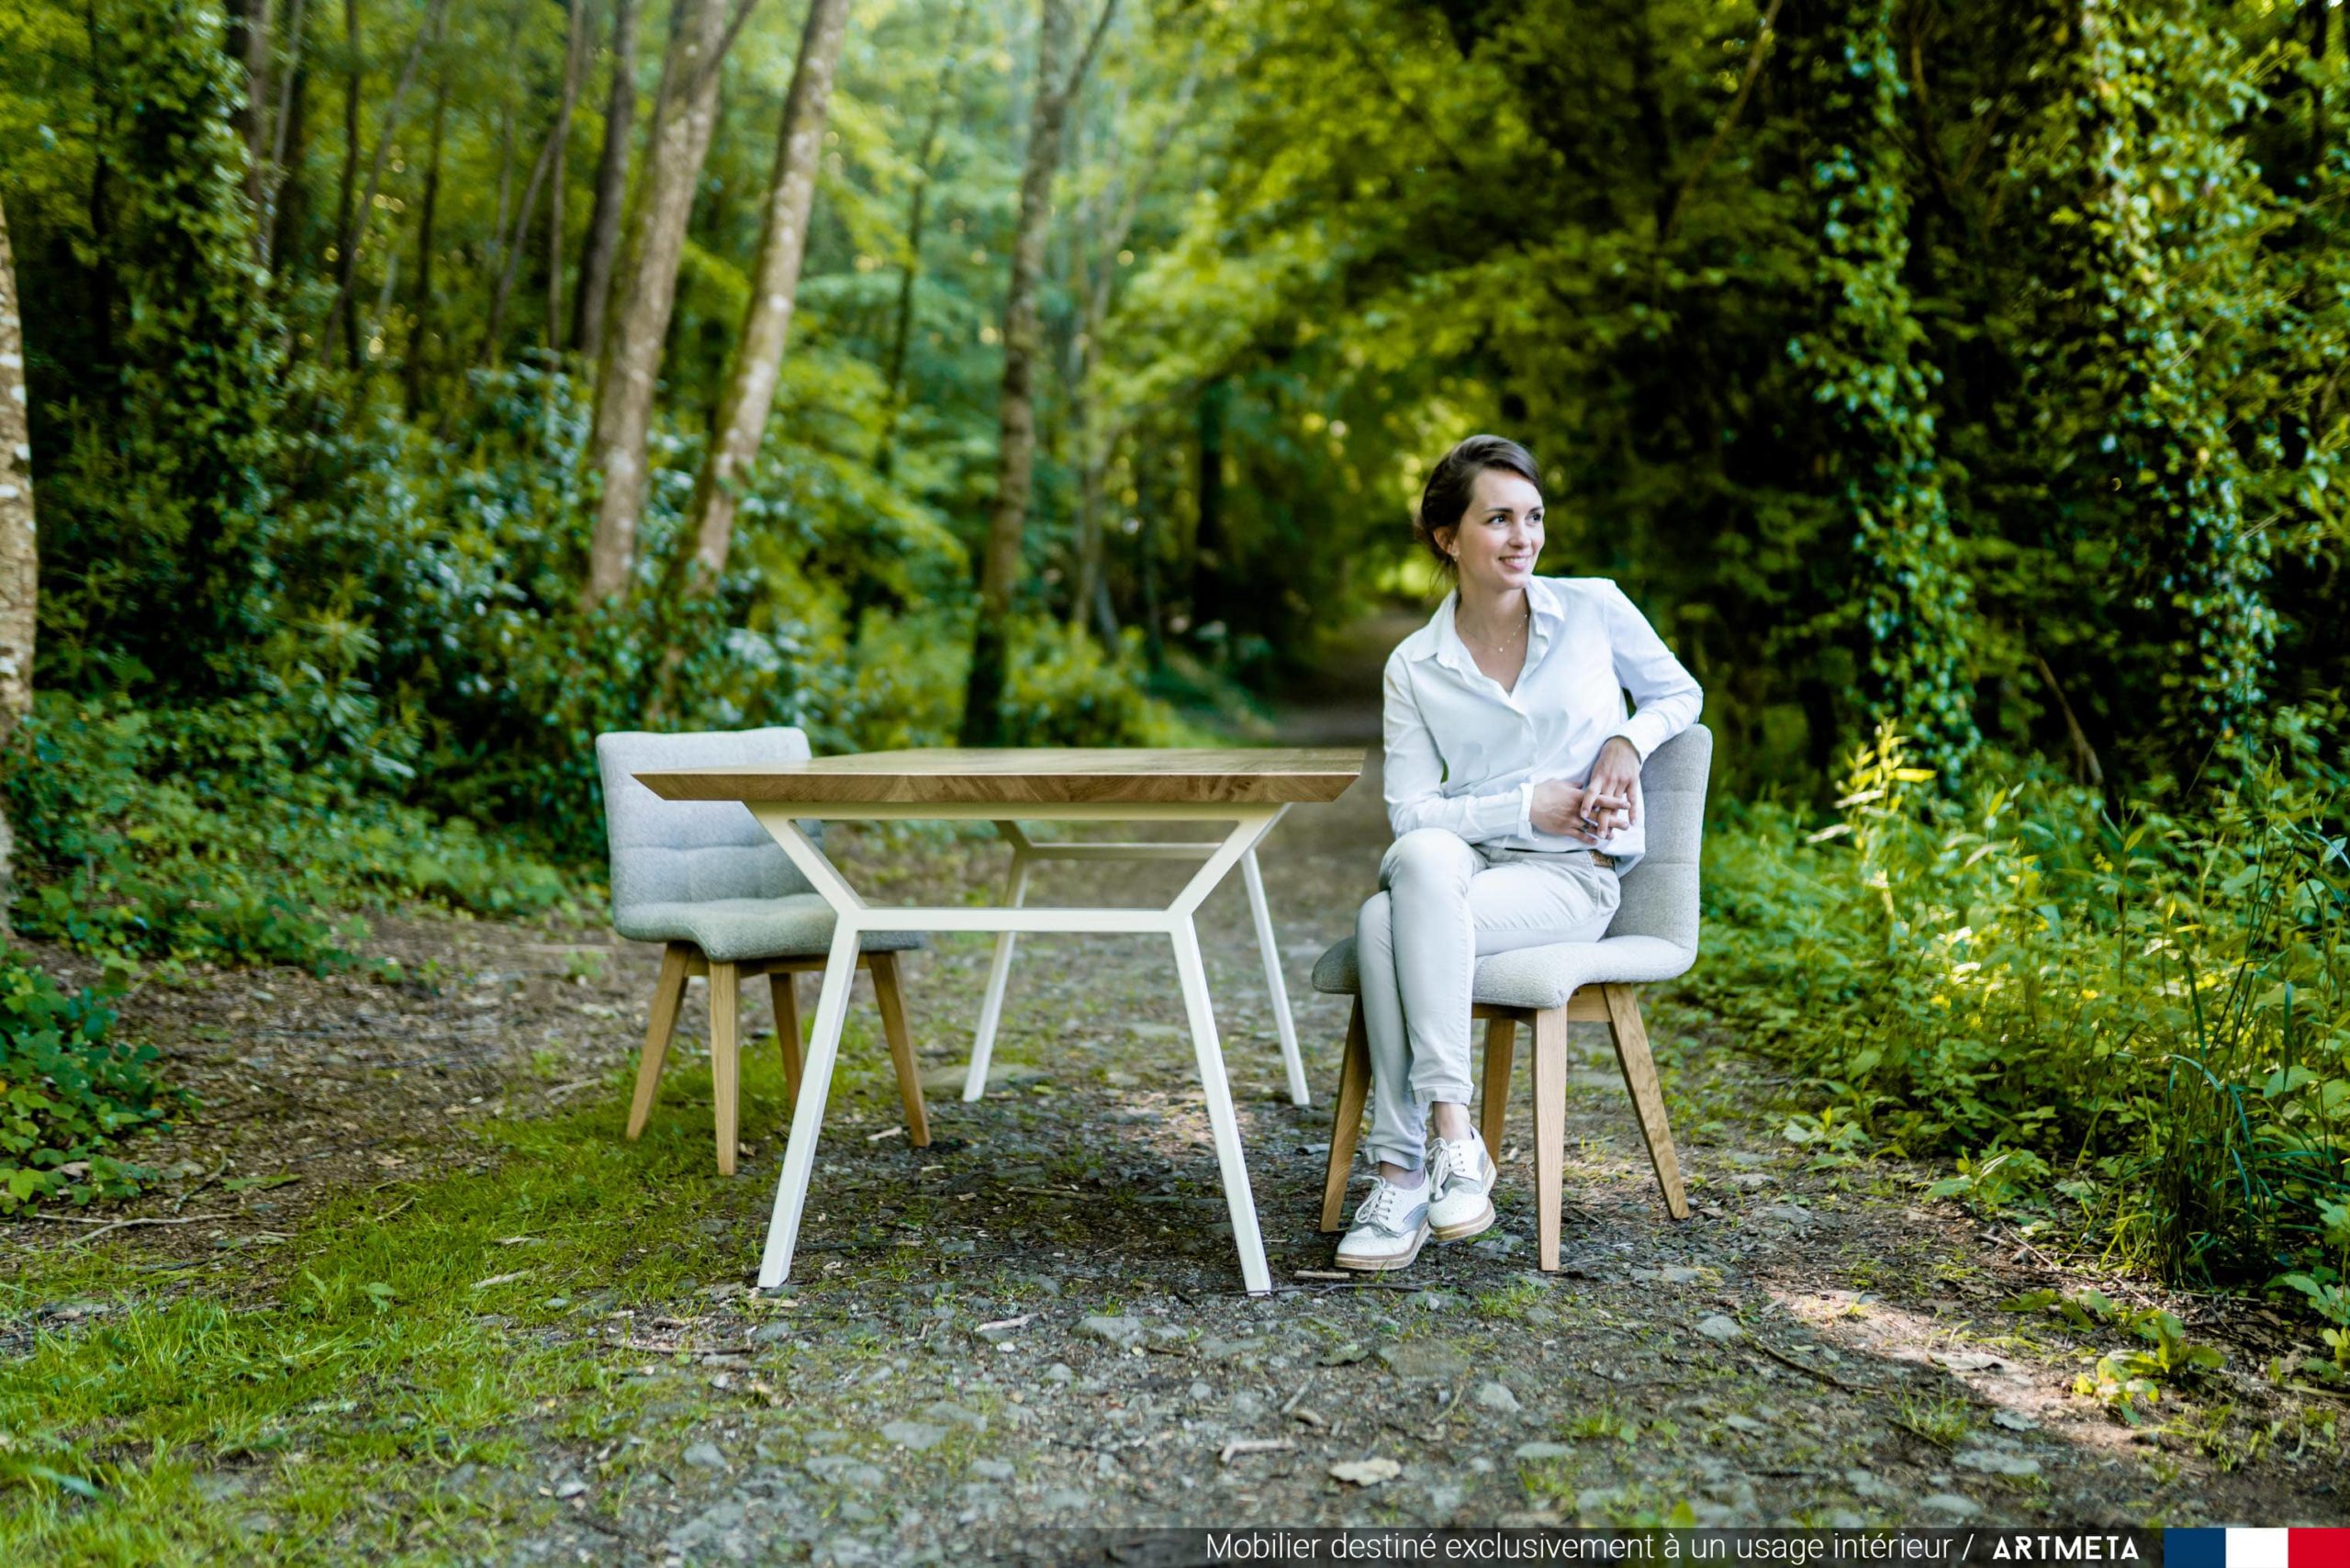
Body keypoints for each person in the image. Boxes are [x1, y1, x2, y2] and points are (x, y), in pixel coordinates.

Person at [1335, 434, 1704, 1271]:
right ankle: (1452, 1140)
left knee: (1381, 923)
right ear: (1448, 537)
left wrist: (1624, 739)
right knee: (1422, 863)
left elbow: (1679, 692)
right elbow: (1410, 813)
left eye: (1532, 518)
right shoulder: (1414, 665)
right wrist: (1522, 802)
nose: (1522, 539)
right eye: (1497, 519)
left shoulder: (1595, 609)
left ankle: (1400, 1171)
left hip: (1571, 876)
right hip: (1468, 868)